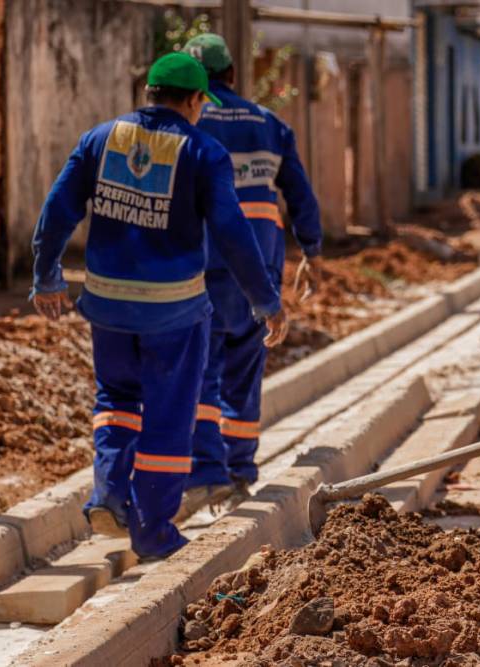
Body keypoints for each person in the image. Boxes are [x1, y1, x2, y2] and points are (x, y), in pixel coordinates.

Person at [30, 52, 288, 560]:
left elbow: (57, 211)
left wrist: (46, 278)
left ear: (149, 92)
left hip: (106, 306)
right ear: (193, 100)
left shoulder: (101, 139)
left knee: (116, 400)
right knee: (169, 414)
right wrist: (266, 301)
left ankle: (107, 493)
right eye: (199, 103)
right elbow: (234, 235)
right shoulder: (202, 150)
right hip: (174, 312)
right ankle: (153, 531)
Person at [174, 33, 324, 517]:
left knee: (202, 370)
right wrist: (312, 248)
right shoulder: (270, 123)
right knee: (245, 367)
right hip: (259, 263)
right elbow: (299, 192)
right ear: (234, 74)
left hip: (203, 265)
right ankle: (239, 471)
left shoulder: (189, 122)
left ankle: (209, 471)